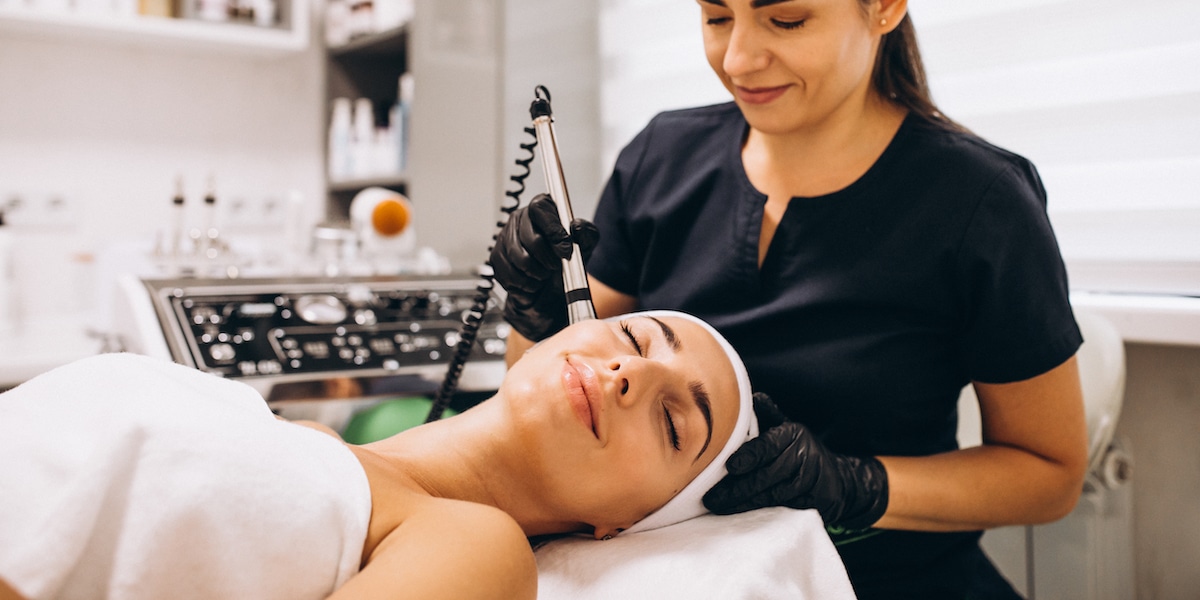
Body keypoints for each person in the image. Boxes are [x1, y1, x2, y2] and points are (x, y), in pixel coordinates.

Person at [489, 0, 1088, 597]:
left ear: (883, 8)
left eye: (787, 20)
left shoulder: (982, 204)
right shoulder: (661, 159)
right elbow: (553, 420)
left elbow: (1048, 476)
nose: (739, 59)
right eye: (717, 17)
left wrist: (856, 486)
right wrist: (535, 314)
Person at [0, 311, 756, 600]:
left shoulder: (474, 546)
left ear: (619, 527)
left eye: (672, 423)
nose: (631, 374)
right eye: (632, 337)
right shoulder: (275, 426)